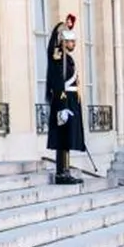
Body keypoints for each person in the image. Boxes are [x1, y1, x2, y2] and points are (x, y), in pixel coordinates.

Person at [45, 14, 85, 185]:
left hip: (71, 99)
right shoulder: (58, 57)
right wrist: (62, 105)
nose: (73, 44)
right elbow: (57, 81)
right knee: (63, 137)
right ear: (63, 41)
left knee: (67, 136)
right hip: (63, 99)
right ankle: (62, 172)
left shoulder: (67, 58)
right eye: (70, 41)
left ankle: (65, 170)